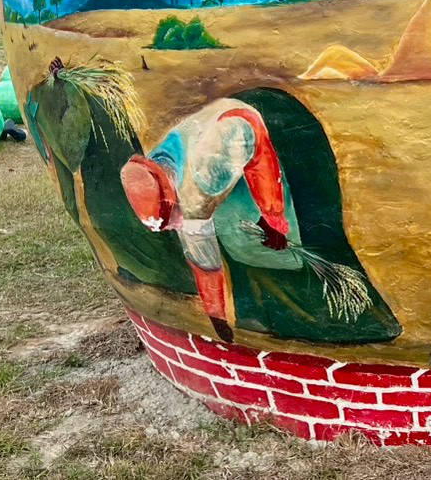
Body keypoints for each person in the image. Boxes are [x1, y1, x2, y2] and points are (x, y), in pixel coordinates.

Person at [119, 89, 400, 345]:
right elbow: (205, 264)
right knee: (239, 240)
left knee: (310, 229)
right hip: (233, 156)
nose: (176, 227)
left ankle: (363, 320)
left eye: (173, 220)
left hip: (284, 133)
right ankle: (268, 315)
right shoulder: (157, 168)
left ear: (174, 200)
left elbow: (257, 145)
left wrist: (274, 216)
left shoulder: (206, 173)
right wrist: (216, 318)